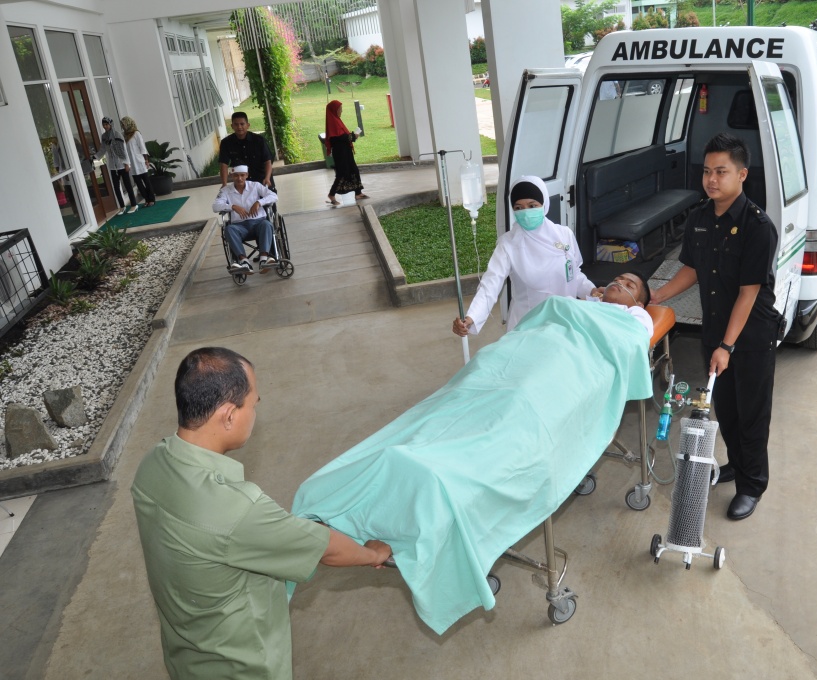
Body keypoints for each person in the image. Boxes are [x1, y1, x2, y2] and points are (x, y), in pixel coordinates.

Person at [131, 347, 392, 680]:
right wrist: (373, 552)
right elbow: (326, 548)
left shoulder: (153, 463)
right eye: (253, 404)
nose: (255, 412)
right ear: (228, 415)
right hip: (242, 667)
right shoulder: (235, 508)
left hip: (188, 658)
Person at [650, 133, 783, 521]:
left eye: (721, 171)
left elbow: (748, 293)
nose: (711, 179)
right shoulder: (700, 218)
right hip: (716, 334)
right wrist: (658, 296)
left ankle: (752, 484)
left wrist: (727, 346)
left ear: (742, 175)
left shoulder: (759, 227)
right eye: (707, 171)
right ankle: (737, 465)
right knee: (727, 408)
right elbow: (690, 269)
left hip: (751, 337)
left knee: (752, 414)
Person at [453, 176, 599, 336]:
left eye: (532, 205)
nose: (526, 212)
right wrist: (471, 317)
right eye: (518, 207)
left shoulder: (564, 235)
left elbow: (574, 274)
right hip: (528, 326)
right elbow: (490, 285)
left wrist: (591, 290)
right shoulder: (508, 244)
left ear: (544, 204)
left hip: (565, 321)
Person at [212, 165, 278, 274]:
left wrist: (259, 202)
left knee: (267, 224)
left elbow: (274, 196)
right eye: (236, 175)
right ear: (231, 176)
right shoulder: (226, 190)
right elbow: (215, 206)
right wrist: (232, 206)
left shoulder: (255, 186)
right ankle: (244, 261)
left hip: (258, 223)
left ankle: (263, 260)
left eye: (242, 175)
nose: (239, 178)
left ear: (247, 175)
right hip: (239, 227)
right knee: (229, 229)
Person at [324, 100, 368, 204]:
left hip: (346, 151)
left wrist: (351, 136)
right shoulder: (333, 122)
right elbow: (338, 138)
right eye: (339, 109)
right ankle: (331, 194)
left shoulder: (337, 120)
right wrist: (352, 136)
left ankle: (358, 193)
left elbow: (343, 135)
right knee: (342, 173)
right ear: (334, 110)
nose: (341, 111)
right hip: (340, 153)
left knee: (354, 170)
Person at [219, 111, 274, 190]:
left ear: (248, 125)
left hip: (262, 180)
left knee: (268, 200)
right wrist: (224, 183)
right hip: (242, 183)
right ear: (232, 126)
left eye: (242, 124)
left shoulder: (259, 140)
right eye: (236, 124)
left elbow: (268, 161)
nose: (239, 127)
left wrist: (267, 178)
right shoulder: (226, 143)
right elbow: (223, 164)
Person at [591, 271, 654, 339]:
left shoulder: (638, 313)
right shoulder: (590, 303)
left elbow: (636, 336)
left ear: (638, 305)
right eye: (615, 280)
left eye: (629, 285)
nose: (619, 281)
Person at [96, 116, 137, 215]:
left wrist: (127, 163)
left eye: (107, 124)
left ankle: (134, 205)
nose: (105, 126)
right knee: (116, 187)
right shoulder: (104, 136)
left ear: (111, 124)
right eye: (104, 124)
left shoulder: (118, 135)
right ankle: (122, 207)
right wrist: (95, 157)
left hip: (121, 164)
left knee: (127, 185)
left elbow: (123, 150)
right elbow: (103, 149)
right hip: (112, 166)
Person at [121, 116, 157, 208]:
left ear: (128, 124)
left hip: (140, 161)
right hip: (132, 164)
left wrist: (146, 160)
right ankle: (146, 199)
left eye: (124, 124)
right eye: (122, 125)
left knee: (146, 181)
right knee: (139, 184)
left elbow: (142, 147)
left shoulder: (136, 133)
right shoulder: (124, 136)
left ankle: (152, 199)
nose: (123, 126)